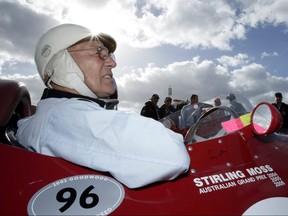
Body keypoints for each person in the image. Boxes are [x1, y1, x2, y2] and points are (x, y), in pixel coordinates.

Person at [16, 24, 190, 189]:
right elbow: (170, 155)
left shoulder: (44, 118)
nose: (112, 63)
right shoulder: (64, 117)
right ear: (62, 63)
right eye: (98, 53)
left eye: (109, 55)